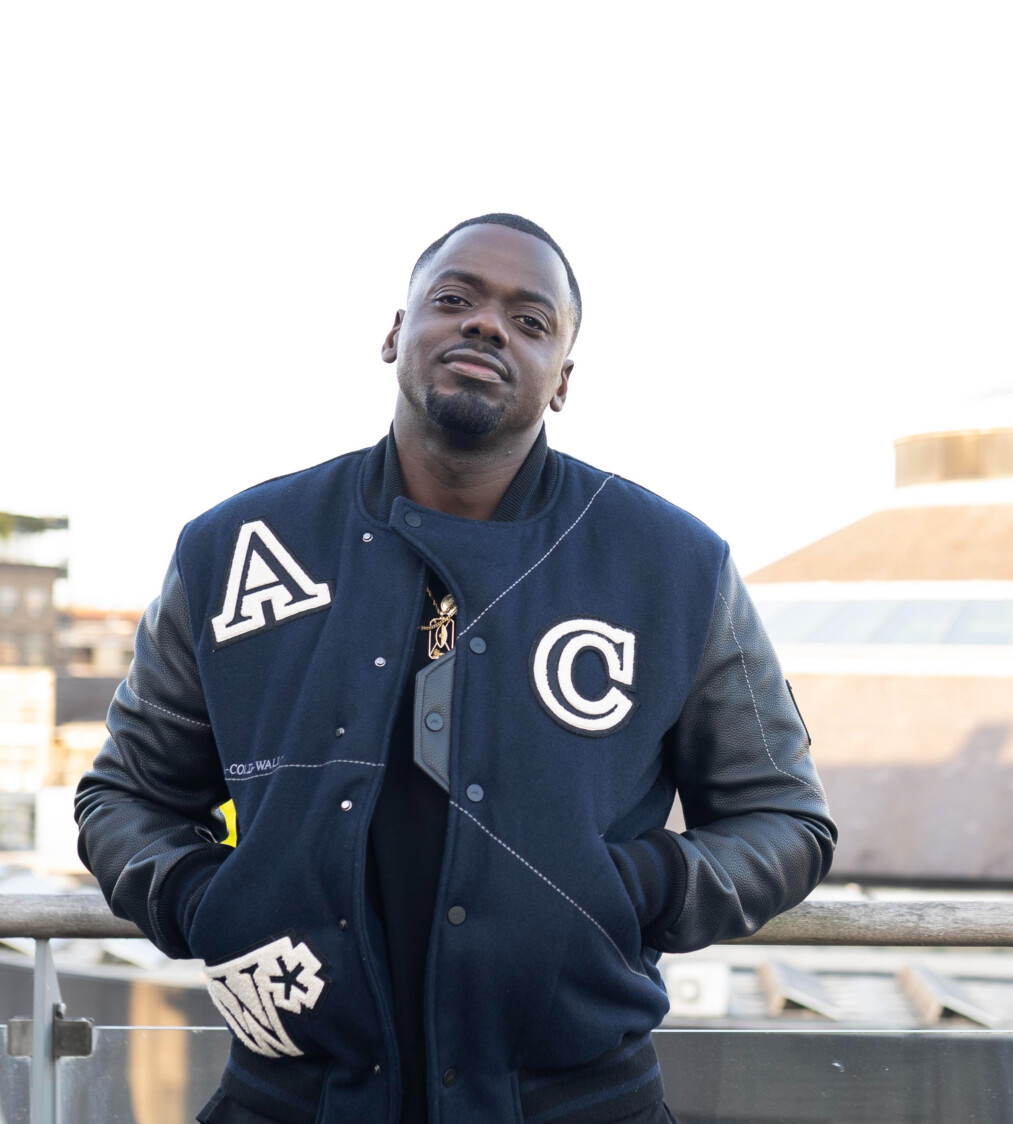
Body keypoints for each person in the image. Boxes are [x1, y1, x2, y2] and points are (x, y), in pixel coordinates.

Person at [75, 214, 836, 1124]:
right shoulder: (237, 546)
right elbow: (124, 797)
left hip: (577, 1102)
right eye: (455, 299)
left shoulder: (673, 566)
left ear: (562, 382)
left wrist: (638, 890)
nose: (486, 325)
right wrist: (208, 901)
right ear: (395, 332)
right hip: (291, 1099)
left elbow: (784, 819)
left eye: (531, 320)